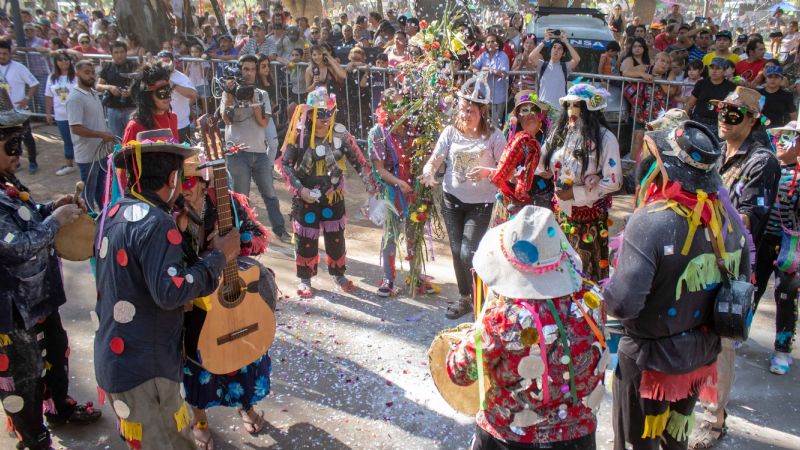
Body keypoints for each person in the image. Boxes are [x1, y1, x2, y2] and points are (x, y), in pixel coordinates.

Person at [605, 120, 750, 450]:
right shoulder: (728, 220)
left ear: (664, 166)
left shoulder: (650, 221)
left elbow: (623, 304)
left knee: (637, 444)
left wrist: (606, 287)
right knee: (676, 440)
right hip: (699, 358)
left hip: (649, 363)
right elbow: (742, 282)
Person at [95, 131, 239, 450]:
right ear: (173, 178)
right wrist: (219, 257)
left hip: (118, 360)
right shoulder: (156, 222)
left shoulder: (113, 212)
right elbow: (171, 292)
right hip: (145, 371)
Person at [447, 205, 606, 450]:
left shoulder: (504, 320)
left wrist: (474, 331)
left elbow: (459, 371)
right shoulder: (591, 300)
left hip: (511, 438)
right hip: (578, 437)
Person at [0, 87, 101, 450]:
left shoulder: (7, 182)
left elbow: (25, 216)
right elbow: (16, 247)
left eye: (19, 144)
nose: (18, 153)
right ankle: (34, 438)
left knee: (56, 355)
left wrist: (49, 207)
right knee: (22, 377)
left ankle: (59, 407)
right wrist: (55, 220)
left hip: (39, 297)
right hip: (12, 312)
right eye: (11, 145)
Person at [689, 87, 781, 450]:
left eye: (734, 114)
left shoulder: (762, 161)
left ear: (752, 120)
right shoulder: (716, 151)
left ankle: (713, 421)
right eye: (721, 111)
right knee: (694, 334)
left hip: (733, 266)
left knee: (722, 343)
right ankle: (694, 400)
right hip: (699, 258)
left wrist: (697, 213)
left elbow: (746, 220)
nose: (724, 120)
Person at [178, 155, 275, 449]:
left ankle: (246, 405)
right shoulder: (170, 213)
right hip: (195, 304)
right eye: (178, 182)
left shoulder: (225, 202)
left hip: (232, 297)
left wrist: (235, 240)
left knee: (245, 354)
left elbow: (257, 237)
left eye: (189, 182)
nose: (183, 189)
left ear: (204, 181)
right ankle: (200, 421)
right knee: (196, 365)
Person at [420, 75, 506, 318]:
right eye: (463, 109)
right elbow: (435, 159)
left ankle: (481, 298)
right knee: (457, 250)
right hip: (452, 200)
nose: (466, 115)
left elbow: (506, 169)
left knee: (469, 252)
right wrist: (429, 172)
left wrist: (487, 172)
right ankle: (465, 298)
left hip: (481, 203)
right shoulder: (450, 132)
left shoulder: (495, 136)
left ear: (482, 112)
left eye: (471, 111)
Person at [280, 87, 376, 298]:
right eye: (321, 114)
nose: (326, 119)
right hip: (306, 198)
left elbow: (360, 163)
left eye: (330, 113)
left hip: (333, 196)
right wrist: (301, 189)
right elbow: (285, 165)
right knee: (306, 238)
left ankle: (339, 274)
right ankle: (305, 279)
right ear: (310, 115)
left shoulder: (341, 134)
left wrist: (372, 188)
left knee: (336, 238)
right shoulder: (300, 136)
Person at [537, 83, 621, 282]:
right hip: (560, 214)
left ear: (589, 109)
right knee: (558, 272)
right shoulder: (560, 133)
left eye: (577, 106)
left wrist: (576, 192)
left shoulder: (605, 139)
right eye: (568, 105)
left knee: (585, 275)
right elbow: (541, 164)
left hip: (589, 220)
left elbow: (614, 181)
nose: (571, 111)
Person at [221, 55, 291, 244]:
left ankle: (280, 230)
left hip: (259, 153)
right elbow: (226, 120)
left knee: (270, 194)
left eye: (253, 69)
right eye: (246, 69)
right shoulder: (229, 92)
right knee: (241, 198)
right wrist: (230, 96)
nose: (249, 73)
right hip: (237, 153)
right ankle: (242, 235)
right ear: (239, 70)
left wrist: (253, 101)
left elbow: (263, 123)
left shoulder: (261, 94)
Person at [755, 121, 800, 375]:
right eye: (780, 137)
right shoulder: (769, 168)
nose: (781, 142)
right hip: (763, 241)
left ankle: (782, 350)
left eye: (789, 138)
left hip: (790, 248)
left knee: (786, 297)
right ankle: (739, 330)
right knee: (753, 288)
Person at [367, 88, 419, 297]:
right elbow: (379, 169)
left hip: (414, 190)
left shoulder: (412, 128)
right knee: (391, 234)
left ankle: (416, 275)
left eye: (402, 104)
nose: (400, 110)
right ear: (385, 108)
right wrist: (398, 182)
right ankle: (388, 278)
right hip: (392, 192)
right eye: (394, 105)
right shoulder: (378, 132)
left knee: (415, 232)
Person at [66, 60, 115, 211]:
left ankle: (104, 215)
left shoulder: (93, 93)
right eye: (87, 72)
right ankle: (88, 219)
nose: (91, 76)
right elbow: (76, 128)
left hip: (100, 152)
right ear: (77, 74)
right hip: (87, 155)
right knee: (88, 192)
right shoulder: (75, 98)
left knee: (102, 189)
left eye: (93, 72)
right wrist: (101, 134)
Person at [0, 39, 39, 174]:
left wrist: (26, 99)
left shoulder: (19, 67)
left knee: (27, 137)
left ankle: (32, 161)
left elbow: (34, 84)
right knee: (9, 139)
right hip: (3, 113)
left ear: (10, 54)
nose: (2, 56)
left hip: (19, 112)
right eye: (0, 53)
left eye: (5, 53)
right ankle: (15, 162)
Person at [122, 63, 178, 143]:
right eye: (161, 93)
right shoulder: (134, 126)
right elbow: (126, 151)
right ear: (148, 97)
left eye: (168, 91)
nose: (167, 97)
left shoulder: (173, 118)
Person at [96, 41, 138, 139]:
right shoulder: (107, 67)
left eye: (122, 52)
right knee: (115, 140)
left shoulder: (134, 66)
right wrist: (110, 87)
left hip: (131, 109)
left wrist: (130, 91)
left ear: (126, 52)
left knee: (132, 139)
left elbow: (141, 85)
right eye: (116, 52)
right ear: (111, 54)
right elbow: (98, 86)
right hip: (113, 110)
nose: (119, 55)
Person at [528, 31, 581, 109]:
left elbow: (577, 59)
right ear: (551, 50)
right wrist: (544, 41)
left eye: (560, 48)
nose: (556, 50)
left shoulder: (565, 67)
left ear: (563, 54)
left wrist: (566, 42)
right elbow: (531, 57)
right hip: (543, 109)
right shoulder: (542, 65)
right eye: (554, 47)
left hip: (559, 111)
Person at [45, 51, 77, 176]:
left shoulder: (76, 76)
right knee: (67, 140)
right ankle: (69, 165)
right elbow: (48, 96)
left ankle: (84, 162)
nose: (63, 62)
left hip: (76, 114)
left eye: (66, 59)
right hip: (60, 115)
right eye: (60, 60)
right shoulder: (52, 77)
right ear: (56, 62)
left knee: (80, 140)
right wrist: (48, 113)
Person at [684, 58, 736, 135]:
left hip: (718, 124)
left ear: (724, 71)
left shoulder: (731, 87)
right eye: (711, 68)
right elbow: (690, 104)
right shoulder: (701, 83)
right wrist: (684, 119)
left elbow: (732, 108)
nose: (714, 71)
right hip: (698, 121)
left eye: (718, 68)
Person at [157, 51, 198, 143]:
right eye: (162, 61)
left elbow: (193, 94)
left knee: (183, 151)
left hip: (180, 125)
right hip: (160, 126)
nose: (165, 64)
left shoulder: (181, 77)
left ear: (173, 62)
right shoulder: (155, 77)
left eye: (167, 61)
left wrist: (173, 84)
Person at [473, 33, 510, 127]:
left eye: (493, 41)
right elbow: (472, 67)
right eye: (488, 42)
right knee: (482, 125)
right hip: (483, 96)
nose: (490, 44)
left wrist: (489, 69)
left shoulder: (503, 56)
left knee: (495, 126)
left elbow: (503, 73)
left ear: (498, 43)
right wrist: (478, 72)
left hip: (497, 97)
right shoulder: (484, 55)